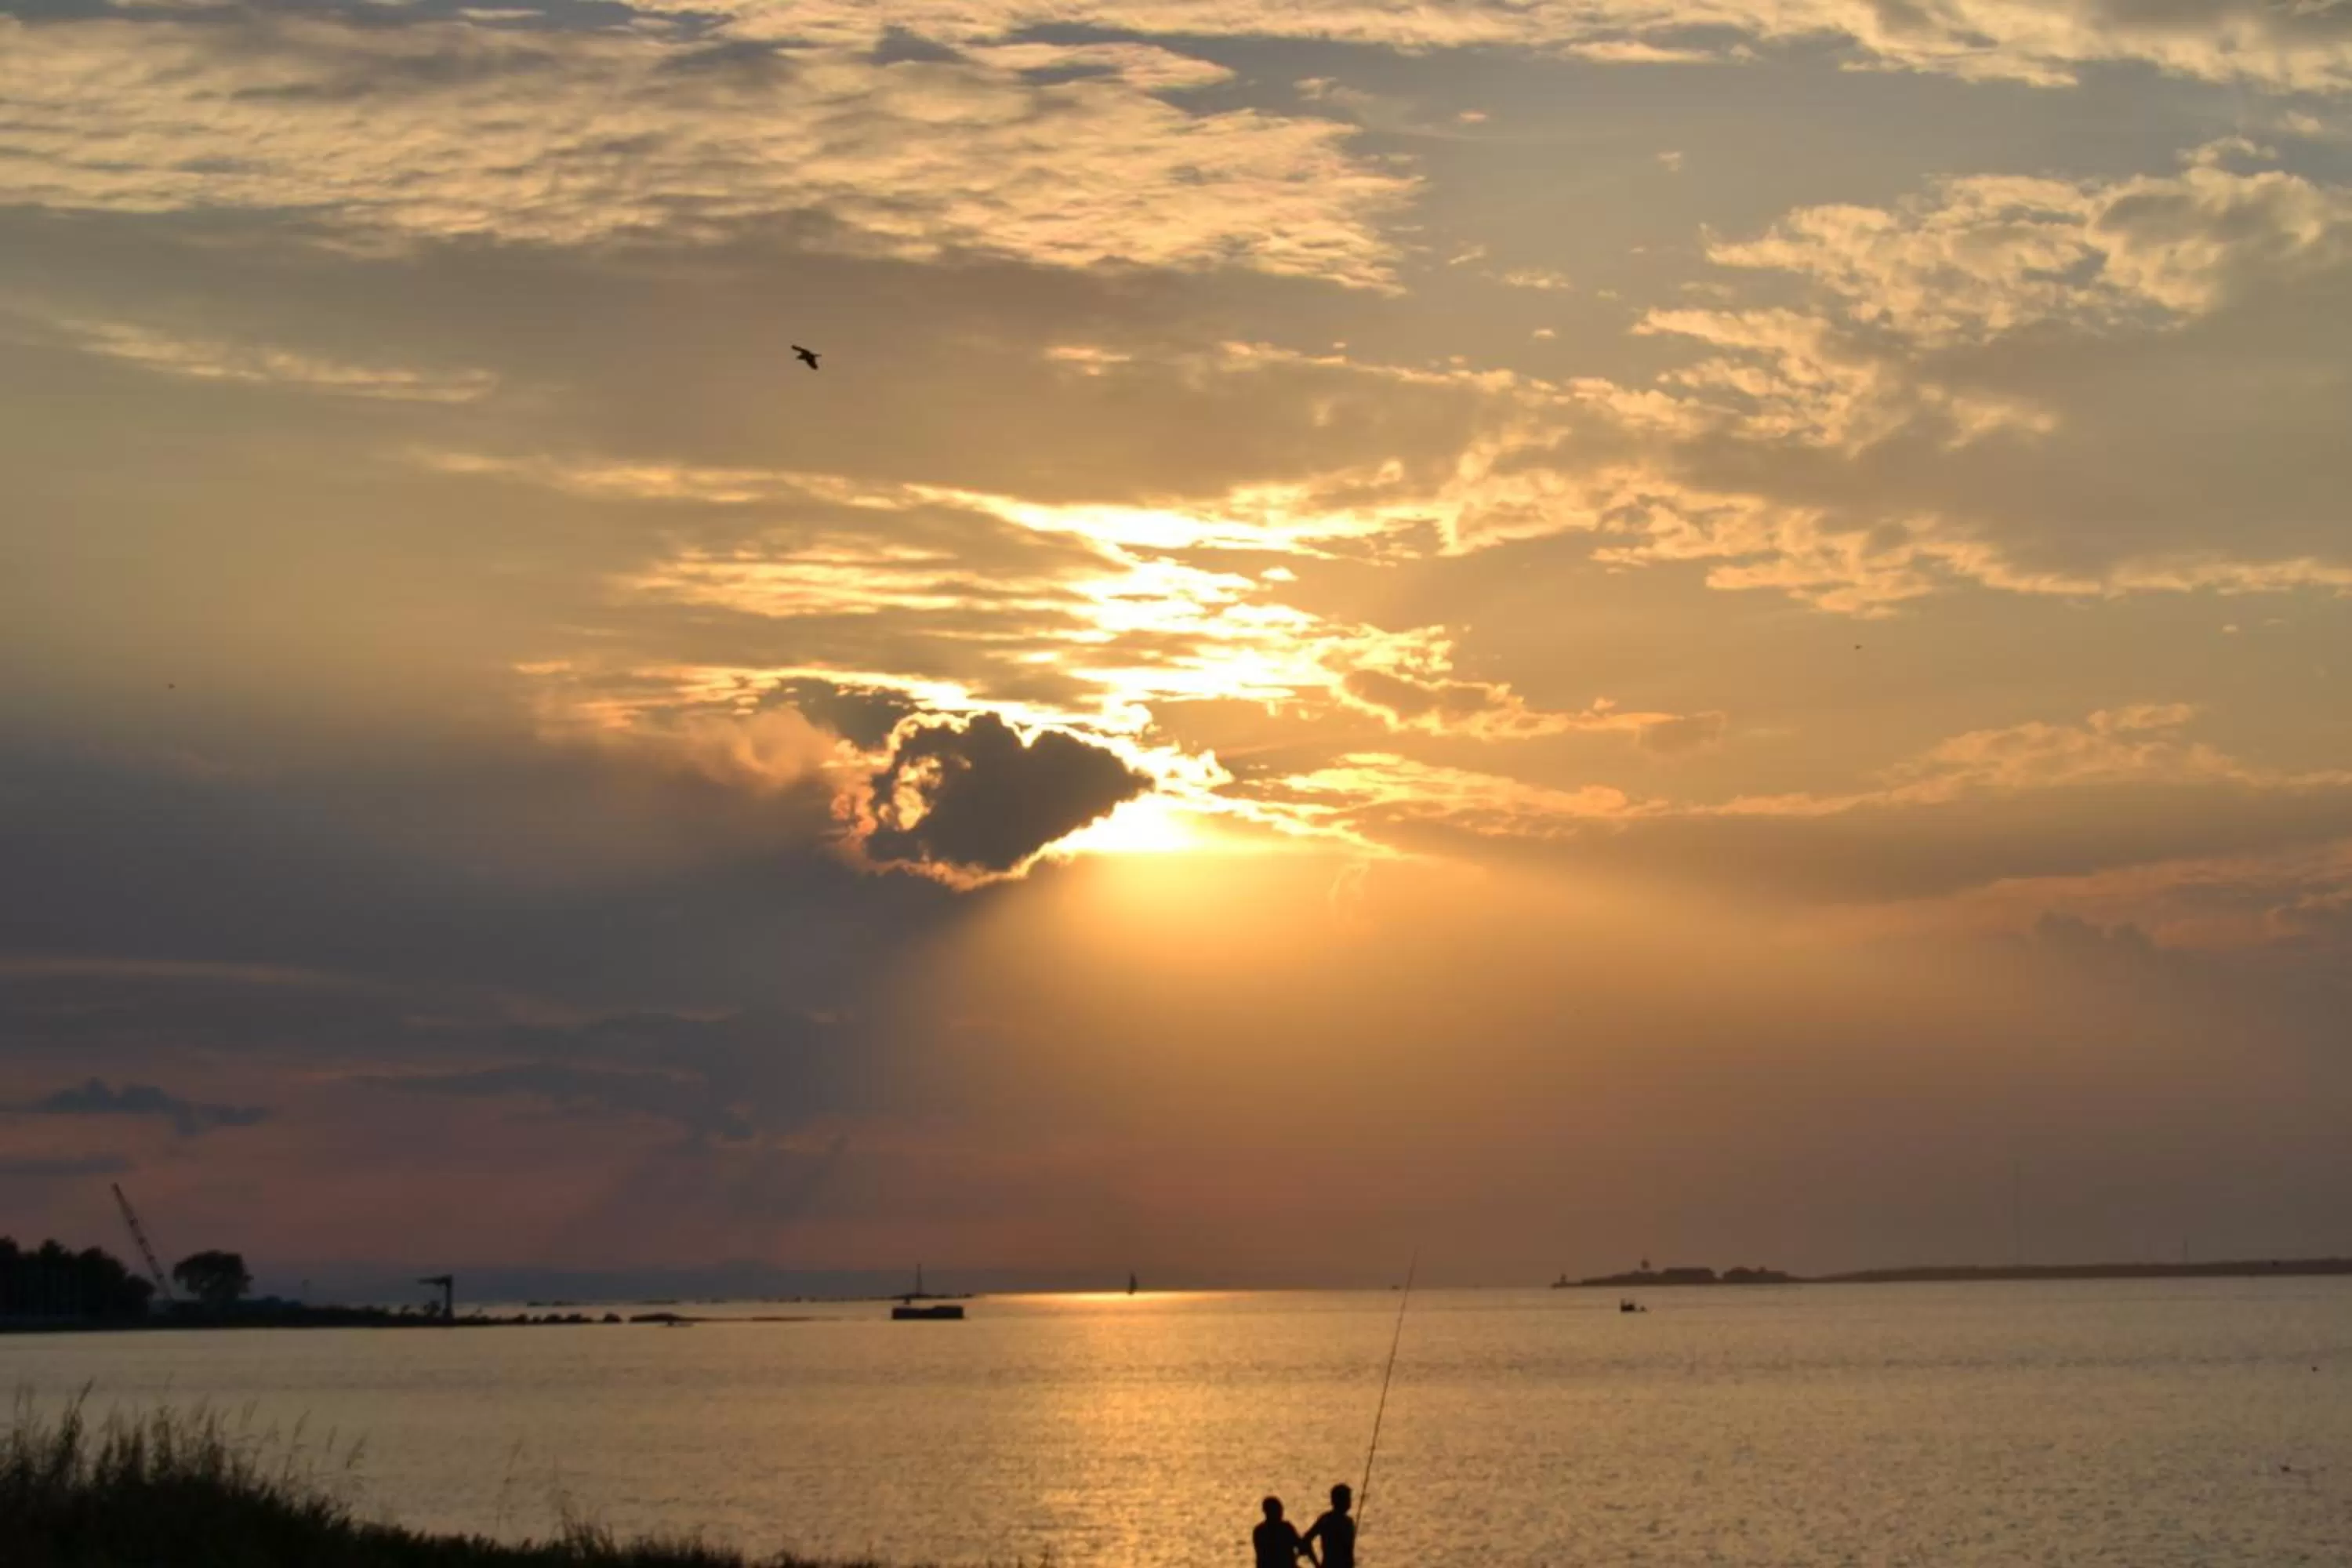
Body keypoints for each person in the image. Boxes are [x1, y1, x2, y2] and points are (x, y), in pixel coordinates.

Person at [1302, 1483, 1356, 1568]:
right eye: (1347, 1499)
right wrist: (1317, 1564)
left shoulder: (1346, 1521)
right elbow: (1306, 1540)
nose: (1349, 1502)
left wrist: (1317, 1565)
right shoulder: (1327, 1520)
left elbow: (1306, 1540)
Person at [1253, 1496, 1306, 1568]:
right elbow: (1301, 1546)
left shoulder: (1259, 1531)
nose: (1281, 1513)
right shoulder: (1285, 1528)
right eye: (1278, 1510)